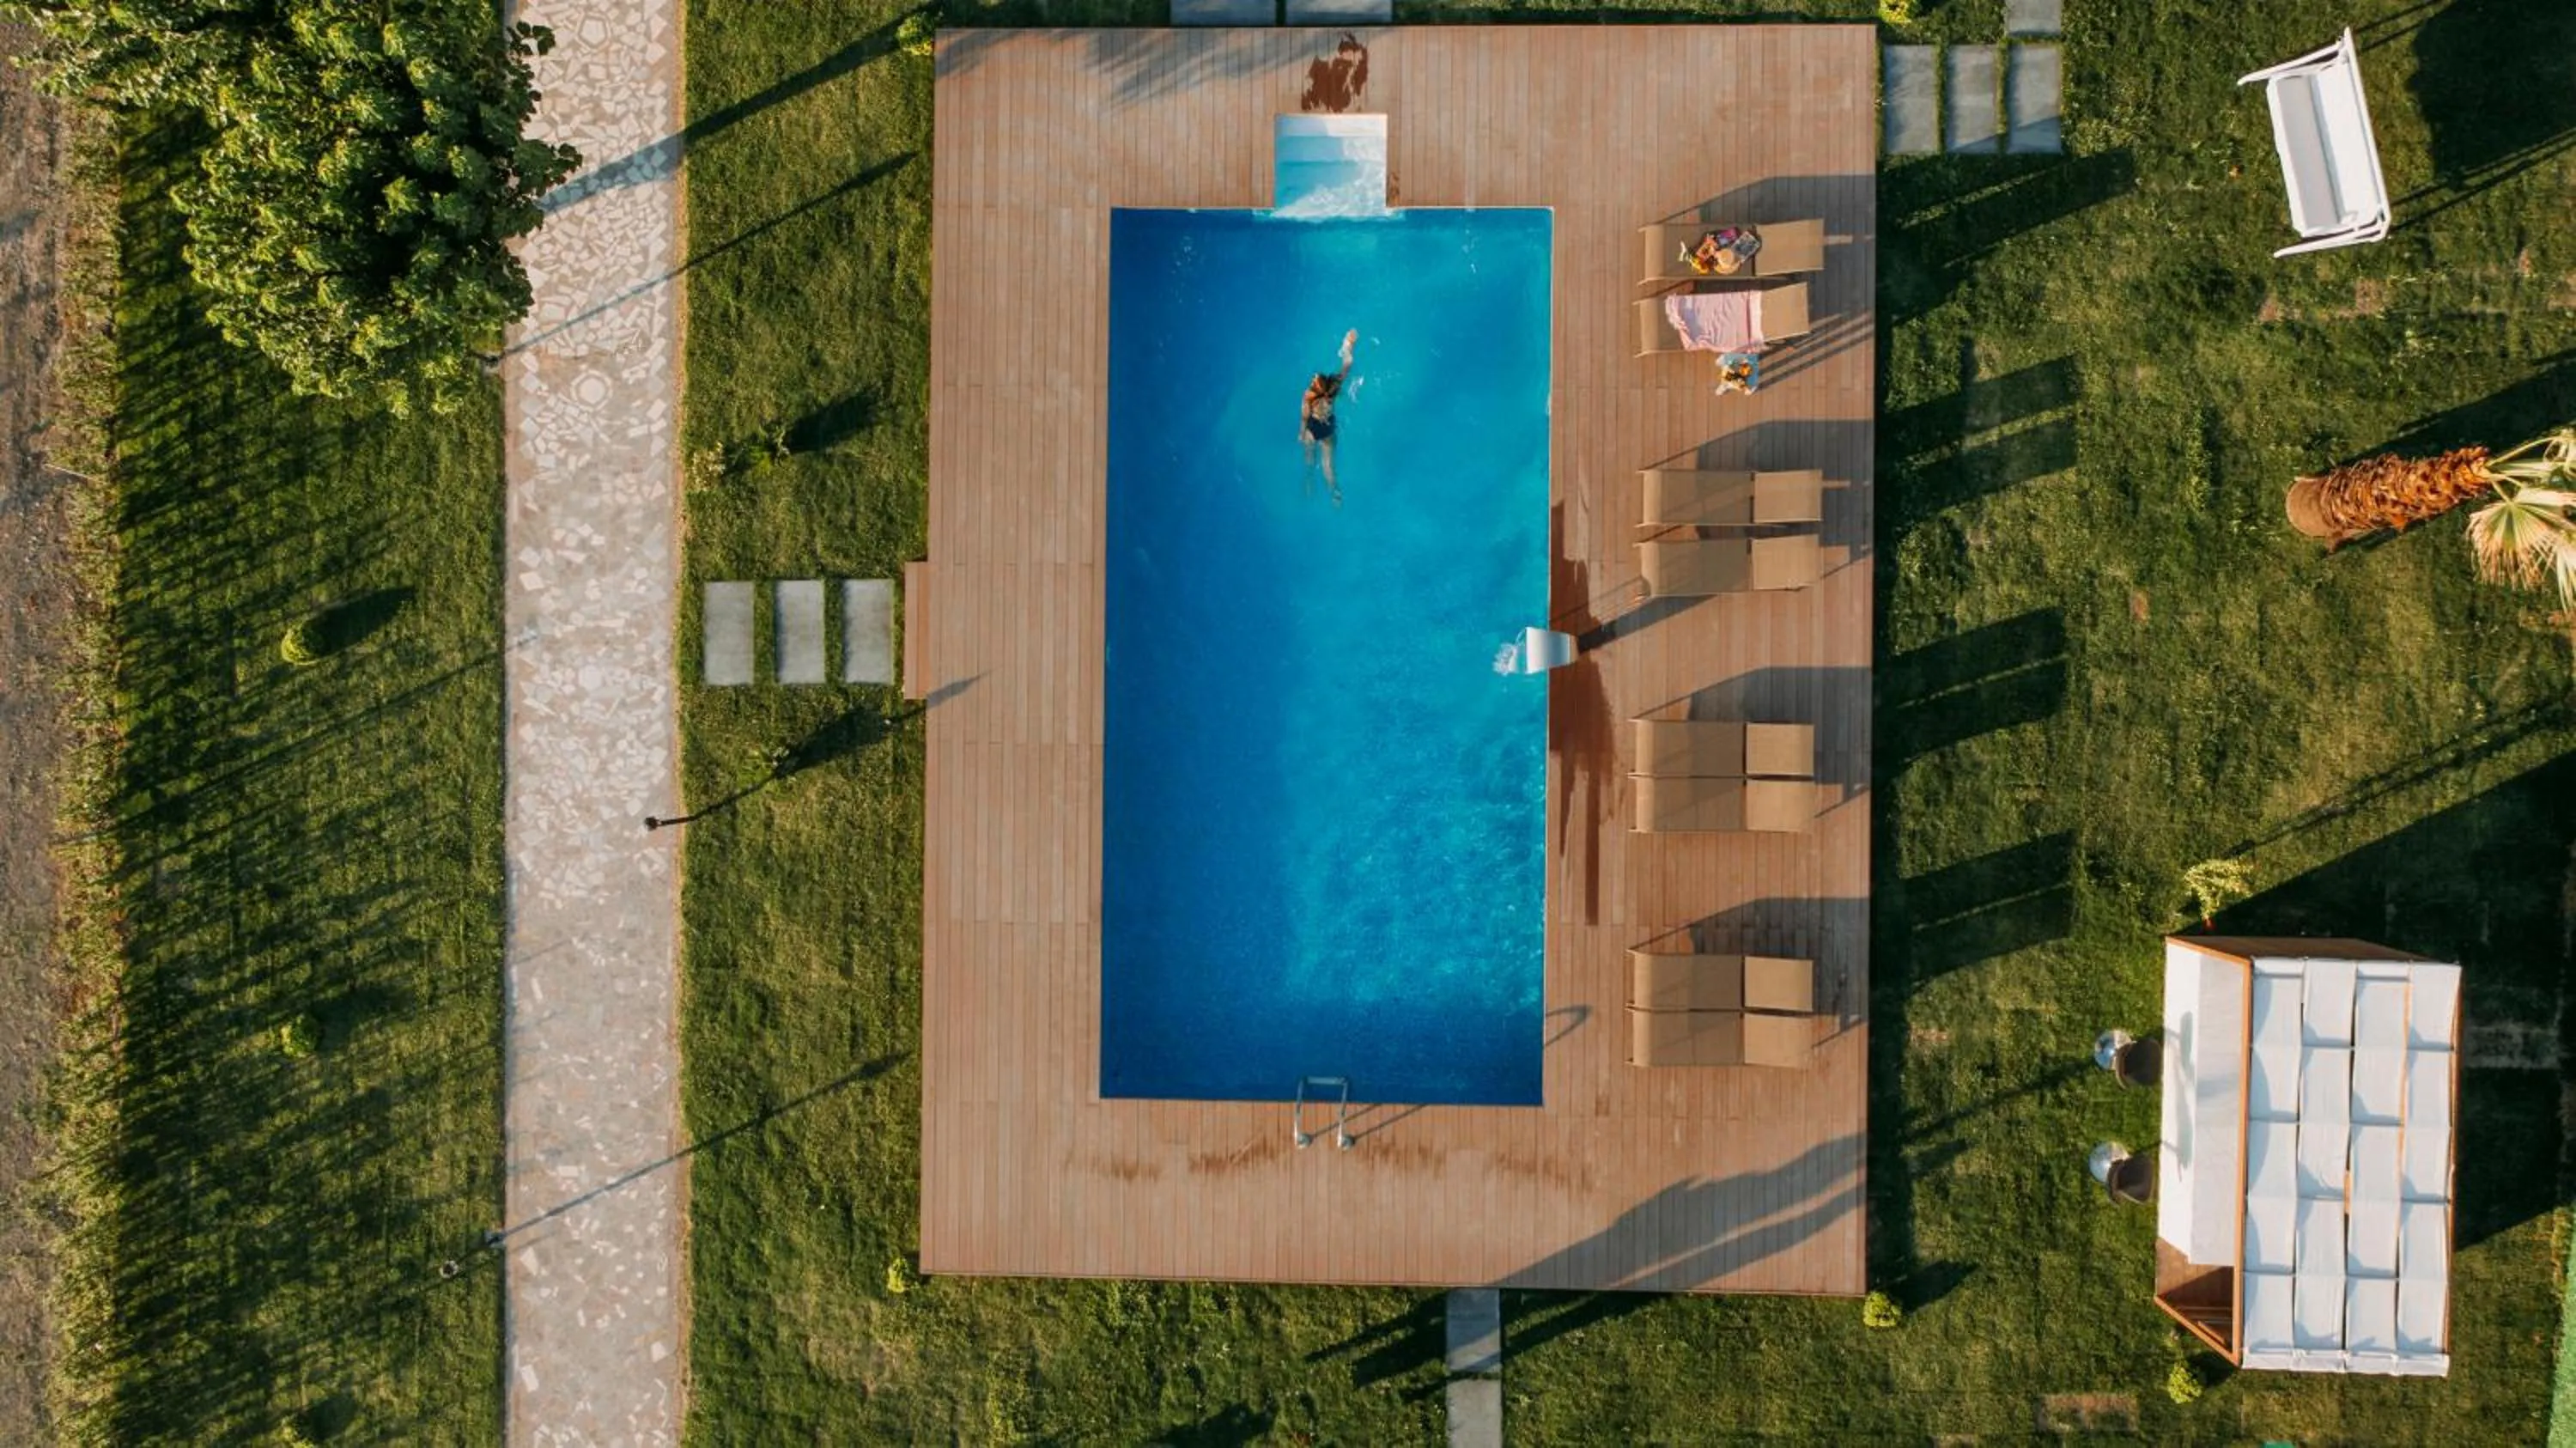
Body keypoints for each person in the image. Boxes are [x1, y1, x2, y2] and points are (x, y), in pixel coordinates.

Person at [1300, 329, 1358, 505]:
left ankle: (1311, 481)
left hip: (1314, 431)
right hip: (1326, 429)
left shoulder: (1309, 397)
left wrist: (1301, 433)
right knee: (1326, 465)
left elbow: (1304, 418)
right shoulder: (1331, 391)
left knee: (1312, 460)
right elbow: (1347, 364)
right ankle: (1333, 491)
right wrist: (1348, 344)